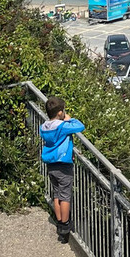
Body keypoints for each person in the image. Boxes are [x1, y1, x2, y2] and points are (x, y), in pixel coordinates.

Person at [39, 97, 86, 244]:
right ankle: (65, 226)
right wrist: (68, 119)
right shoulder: (62, 126)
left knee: (57, 193)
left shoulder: (44, 127)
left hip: (51, 165)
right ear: (60, 112)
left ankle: (59, 221)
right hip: (64, 165)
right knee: (65, 195)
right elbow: (80, 126)